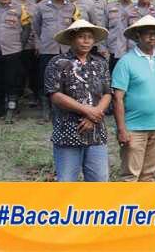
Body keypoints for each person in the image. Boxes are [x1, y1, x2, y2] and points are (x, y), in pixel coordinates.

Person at [111, 15, 155, 181]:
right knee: (130, 175)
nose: (153, 37)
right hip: (134, 128)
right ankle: (128, 207)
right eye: (148, 33)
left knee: (150, 174)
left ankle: (146, 206)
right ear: (137, 36)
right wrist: (121, 129)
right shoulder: (126, 62)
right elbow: (117, 98)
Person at [45, 19, 111, 181]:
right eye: (81, 36)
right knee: (67, 182)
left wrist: (94, 115)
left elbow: (108, 93)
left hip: (96, 132)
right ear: (71, 39)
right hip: (68, 131)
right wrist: (87, 111)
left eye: (89, 37)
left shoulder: (100, 63)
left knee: (100, 180)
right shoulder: (58, 63)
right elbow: (54, 94)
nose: (86, 40)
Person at [32, 0, 79, 121]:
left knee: (66, 79)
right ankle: (46, 110)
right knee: (46, 78)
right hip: (47, 48)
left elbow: (74, 26)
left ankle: (62, 109)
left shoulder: (71, 7)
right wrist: (40, 44)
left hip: (65, 49)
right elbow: (36, 27)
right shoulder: (41, 6)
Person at [0, 0, 32, 123]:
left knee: (12, 79)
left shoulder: (20, 9)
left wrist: (21, 44)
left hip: (13, 51)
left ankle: (11, 107)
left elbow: (27, 28)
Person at [14, 0, 37, 115]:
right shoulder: (9, 3)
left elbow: (38, 25)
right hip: (12, 46)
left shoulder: (35, 6)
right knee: (15, 74)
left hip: (31, 46)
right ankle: (13, 100)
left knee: (31, 73)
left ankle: (33, 98)